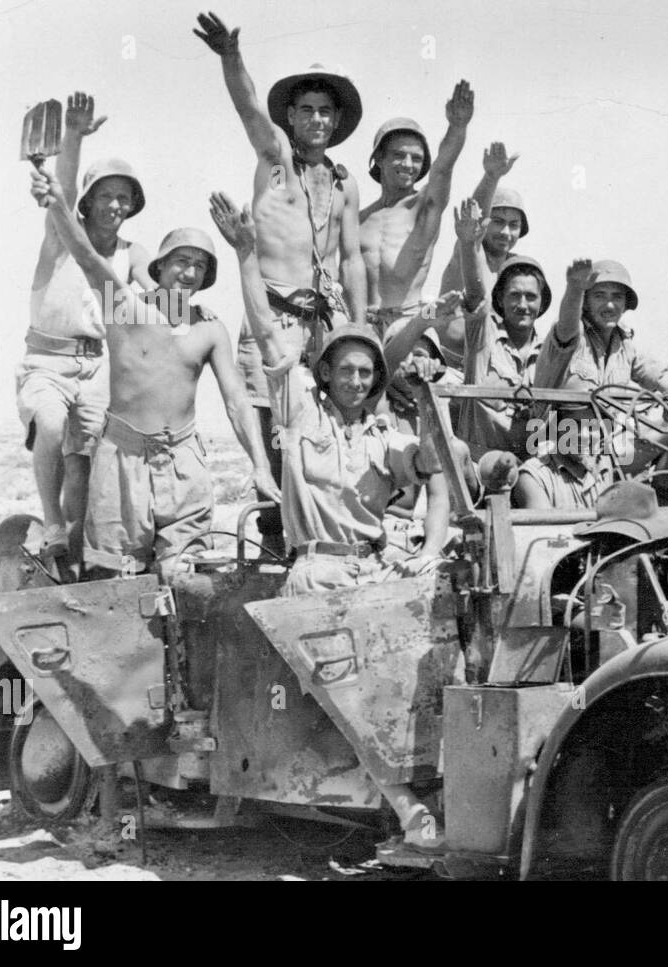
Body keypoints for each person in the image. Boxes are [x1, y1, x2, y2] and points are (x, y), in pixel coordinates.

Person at [209, 191, 449, 850]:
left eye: (365, 371)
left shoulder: (387, 433)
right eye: (343, 368)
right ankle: (408, 811)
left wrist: (428, 544)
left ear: (376, 380)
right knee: (356, 691)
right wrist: (244, 253)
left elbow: (437, 475)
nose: (353, 379)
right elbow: (262, 330)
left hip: (373, 575)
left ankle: (425, 797)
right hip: (314, 576)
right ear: (325, 373)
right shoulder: (298, 411)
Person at [29, 170, 276, 581]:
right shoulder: (122, 306)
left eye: (200, 265)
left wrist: (261, 466)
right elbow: (88, 257)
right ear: (159, 267)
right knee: (112, 580)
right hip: (121, 460)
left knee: (188, 578)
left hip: (183, 465)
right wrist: (58, 202)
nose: (190, 272)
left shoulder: (209, 329)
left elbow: (236, 400)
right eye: (182, 261)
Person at [194, 13, 367, 556]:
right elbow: (248, 107)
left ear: (336, 120)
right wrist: (230, 57)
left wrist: (359, 327)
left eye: (325, 112)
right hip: (272, 315)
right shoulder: (276, 159)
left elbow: (354, 256)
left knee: (324, 431)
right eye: (307, 110)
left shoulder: (344, 182)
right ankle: (274, 551)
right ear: (291, 116)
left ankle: (322, 542)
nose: (316, 120)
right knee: (271, 434)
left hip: (324, 322)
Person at [19, 92, 153, 563]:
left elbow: (159, 294)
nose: (115, 205)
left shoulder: (131, 251)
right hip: (48, 359)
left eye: (124, 197)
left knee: (87, 462)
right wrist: (72, 136)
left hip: (98, 367)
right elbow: (64, 191)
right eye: (107, 195)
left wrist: (185, 311)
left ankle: (70, 553)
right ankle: (51, 521)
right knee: (51, 428)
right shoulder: (61, 231)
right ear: (90, 201)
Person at [534, 259, 668, 500]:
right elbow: (566, 328)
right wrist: (574, 288)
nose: (609, 304)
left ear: (626, 304)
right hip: (560, 447)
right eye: (599, 296)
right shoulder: (572, 337)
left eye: (617, 296)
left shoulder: (626, 347)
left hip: (606, 451)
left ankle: (659, 504)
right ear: (585, 301)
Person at [358, 82, 475, 369]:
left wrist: (457, 127)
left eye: (417, 158)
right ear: (379, 160)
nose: (408, 164)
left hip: (407, 326)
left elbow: (444, 166)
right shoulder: (359, 219)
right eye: (398, 155)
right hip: (363, 328)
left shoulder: (424, 209)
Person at [449, 198, 547, 460]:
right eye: (514, 296)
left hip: (532, 470)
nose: (523, 305)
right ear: (500, 300)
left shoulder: (549, 352)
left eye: (531, 297)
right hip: (480, 468)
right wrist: (469, 245)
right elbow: (475, 294)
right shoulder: (484, 337)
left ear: (542, 302)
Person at [434, 152, 524, 365]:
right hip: (450, 365)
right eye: (498, 222)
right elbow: (475, 220)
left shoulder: (515, 269)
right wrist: (491, 177)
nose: (505, 232)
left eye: (514, 225)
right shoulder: (469, 252)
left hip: (495, 367)